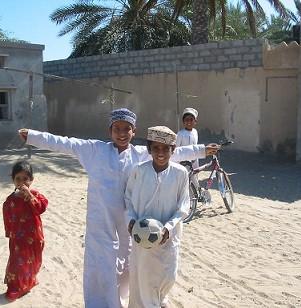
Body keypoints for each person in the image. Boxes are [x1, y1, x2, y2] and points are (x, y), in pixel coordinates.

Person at [18, 108, 218, 308]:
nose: (122, 133)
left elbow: (172, 151)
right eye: (117, 128)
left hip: (130, 219)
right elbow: (64, 143)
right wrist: (33, 137)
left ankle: (121, 301)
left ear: (134, 131)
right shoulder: (93, 150)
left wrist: (201, 150)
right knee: (99, 261)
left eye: (127, 129)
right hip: (100, 217)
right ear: (110, 131)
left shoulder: (140, 154)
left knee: (128, 261)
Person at [125, 126, 189, 307]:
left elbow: (183, 206)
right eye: (156, 148)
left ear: (173, 150)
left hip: (169, 236)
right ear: (149, 149)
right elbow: (128, 199)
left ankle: (160, 300)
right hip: (142, 236)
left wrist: (168, 229)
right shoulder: (139, 171)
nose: (160, 153)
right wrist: (130, 221)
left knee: (168, 275)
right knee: (143, 276)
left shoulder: (180, 173)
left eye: (165, 149)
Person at [2, 161, 48, 301]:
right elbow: (7, 217)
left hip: (35, 236)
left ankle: (30, 282)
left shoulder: (36, 195)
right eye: (18, 179)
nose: (22, 182)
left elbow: (41, 208)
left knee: (34, 260)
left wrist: (30, 196)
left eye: (25, 179)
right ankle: (14, 288)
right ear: (13, 180)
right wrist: (9, 233)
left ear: (31, 180)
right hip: (18, 239)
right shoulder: (10, 200)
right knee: (17, 262)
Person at [176, 107, 209, 202]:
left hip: (194, 160)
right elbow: (177, 149)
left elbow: (195, 146)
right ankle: (187, 200)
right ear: (183, 121)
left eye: (191, 119)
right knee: (186, 180)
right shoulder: (180, 134)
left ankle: (196, 196)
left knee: (195, 178)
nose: (189, 122)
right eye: (186, 120)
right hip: (183, 162)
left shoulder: (195, 132)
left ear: (195, 121)